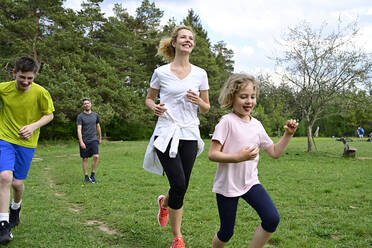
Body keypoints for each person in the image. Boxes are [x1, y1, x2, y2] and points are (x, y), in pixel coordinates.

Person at [208, 73, 298, 248]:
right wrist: (238, 157)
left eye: (252, 97)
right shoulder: (226, 122)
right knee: (226, 233)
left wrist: (288, 134)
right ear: (232, 97)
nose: (249, 101)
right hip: (227, 186)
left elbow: (274, 152)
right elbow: (213, 154)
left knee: (272, 219)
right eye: (243, 97)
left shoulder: (256, 125)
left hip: (250, 183)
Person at [143, 25, 210, 248]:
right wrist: (155, 107)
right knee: (179, 183)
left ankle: (165, 202)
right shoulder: (160, 72)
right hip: (165, 132)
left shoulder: (201, 73)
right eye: (183, 37)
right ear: (174, 42)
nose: (187, 40)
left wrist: (197, 101)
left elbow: (206, 108)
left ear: (193, 45)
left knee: (181, 186)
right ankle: (177, 238)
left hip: (189, 133)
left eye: (191, 38)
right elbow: (149, 99)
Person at [0, 56, 54, 243]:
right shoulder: (4, 89)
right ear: (14, 73)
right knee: (4, 177)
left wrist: (33, 126)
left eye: (30, 78)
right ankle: (3, 224)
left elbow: (49, 115)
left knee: (17, 183)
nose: (25, 82)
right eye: (22, 77)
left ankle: (16, 206)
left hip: (27, 144)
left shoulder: (41, 93)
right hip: (4, 138)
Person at [77, 97, 102, 184]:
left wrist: (100, 137)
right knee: (85, 159)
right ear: (83, 105)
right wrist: (81, 141)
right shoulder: (80, 116)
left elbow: (98, 126)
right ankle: (86, 177)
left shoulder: (95, 115)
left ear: (90, 104)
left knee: (96, 156)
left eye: (88, 103)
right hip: (84, 140)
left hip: (94, 139)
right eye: (85, 103)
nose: (86, 104)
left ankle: (93, 175)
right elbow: (79, 129)